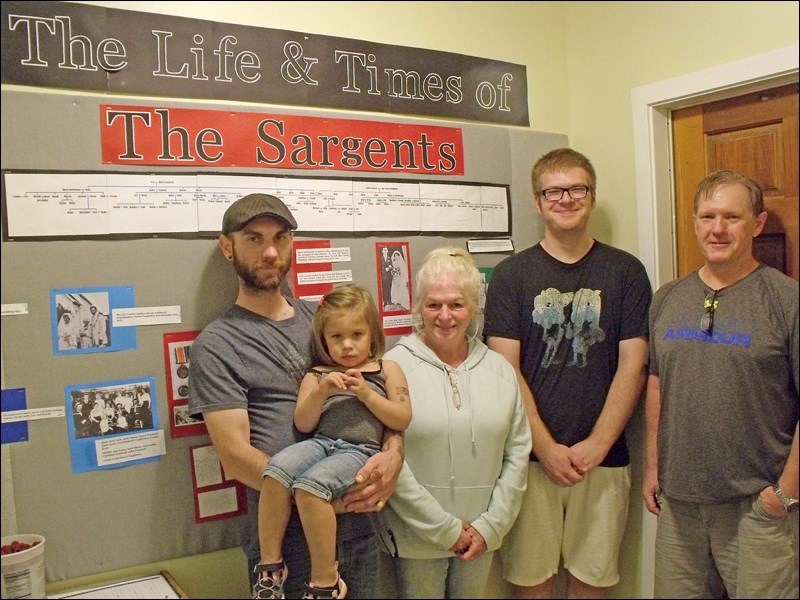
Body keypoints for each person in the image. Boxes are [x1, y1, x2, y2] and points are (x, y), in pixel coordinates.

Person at [188, 193, 404, 599]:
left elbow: (381, 391)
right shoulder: (217, 344)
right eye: (254, 239)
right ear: (227, 246)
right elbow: (235, 456)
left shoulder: (326, 322)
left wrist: (394, 454)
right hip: (285, 544)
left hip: (359, 529)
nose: (270, 252)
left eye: (281, 238)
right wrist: (318, 497)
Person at [483, 148, 652, 599]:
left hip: (605, 461)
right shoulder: (511, 275)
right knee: (530, 585)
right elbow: (505, 369)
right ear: (537, 201)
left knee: (591, 586)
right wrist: (545, 446)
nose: (566, 198)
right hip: (530, 460)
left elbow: (634, 366)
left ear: (591, 196)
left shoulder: (626, 272)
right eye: (553, 190)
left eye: (577, 188)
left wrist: (597, 444)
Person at [644, 169, 799, 599]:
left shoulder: (787, 301)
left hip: (757, 507)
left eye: (731, 217)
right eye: (707, 216)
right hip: (678, 506)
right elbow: (657, 385)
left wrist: (784, 495)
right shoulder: (667, 299)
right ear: (694, 223)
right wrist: (653, 469)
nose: (717, 229)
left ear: (757, 224)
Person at [381, 246, 531, 598]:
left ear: (474, 307)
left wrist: (490, 527)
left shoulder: (499, 370)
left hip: (482, 537)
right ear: (418, 307)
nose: (444, 316)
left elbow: (518, 453)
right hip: (416, 537)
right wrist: (445, 529)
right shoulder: (394, 368)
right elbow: (390, 461)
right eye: (434, 305)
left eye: (456, 304)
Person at [255, 284, 411, 599]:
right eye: (336, 337)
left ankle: (325, 581)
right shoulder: (317, 374)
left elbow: (401, 418)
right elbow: (303, 422)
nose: (348, 346)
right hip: (321, 443)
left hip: (360, 450)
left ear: (372, 335)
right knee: (275, 470)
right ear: (324, 339)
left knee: (310, 488)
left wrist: (366, 393)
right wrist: (322, 390)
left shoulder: (386, 369)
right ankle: (270, 566)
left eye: (357, 334)